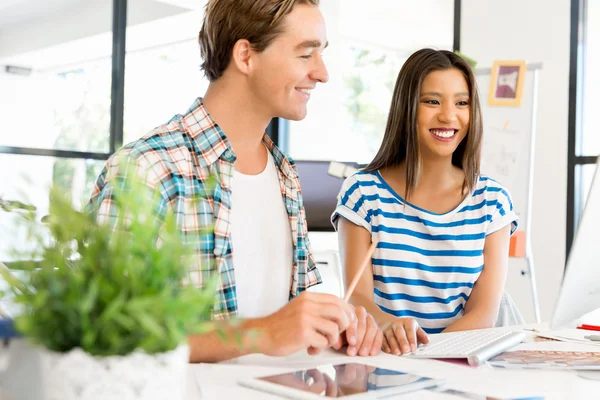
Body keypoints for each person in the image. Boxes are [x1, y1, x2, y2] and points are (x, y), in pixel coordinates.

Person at [88, 0, 383, 363]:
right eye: (306, 54)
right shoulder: (148, 170)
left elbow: (289, 324)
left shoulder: (284, 174)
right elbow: (110, 332)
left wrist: (333, 326)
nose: (322, 74)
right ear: (245, 56)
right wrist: (260, 333)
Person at [332, 49, 518, 356]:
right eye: (432, 101)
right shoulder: (362, 194)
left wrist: (427, 356)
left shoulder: (493, 202)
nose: (448, 115)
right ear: (407, 108)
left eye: (461, 103)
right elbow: (358, 299)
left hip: (460, 368)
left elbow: (483, 314)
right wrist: (389, 325)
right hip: (384, 366)